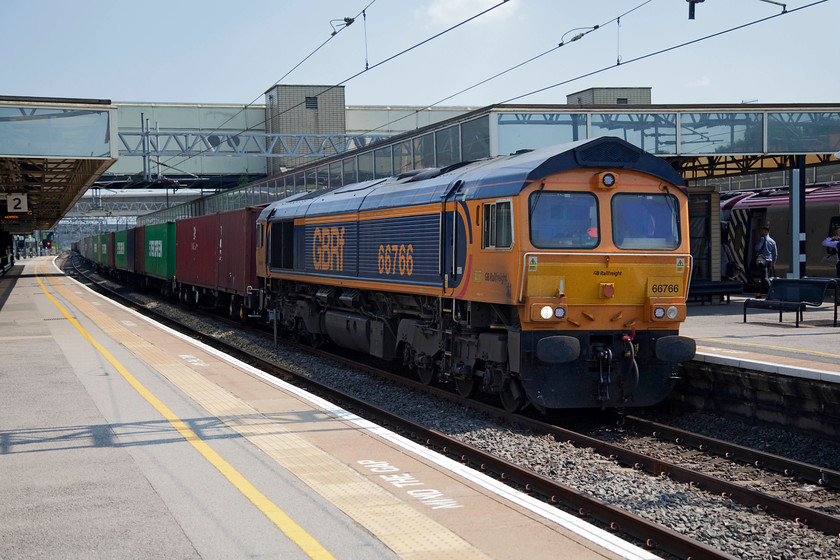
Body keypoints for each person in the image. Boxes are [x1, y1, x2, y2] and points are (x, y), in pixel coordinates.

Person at [754, 226, 778, 297]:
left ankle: (773, 292)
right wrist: (773, 263)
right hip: (769, 261)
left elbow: (757, 248)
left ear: (766, 232)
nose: (761, 232)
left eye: (762, 231)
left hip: (762, 260)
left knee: (764, 277)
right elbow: (775, 254)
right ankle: (760, 293)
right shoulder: (773, 241)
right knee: (763, 277)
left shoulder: (762, 239)